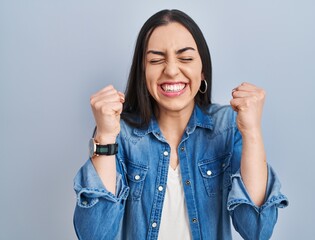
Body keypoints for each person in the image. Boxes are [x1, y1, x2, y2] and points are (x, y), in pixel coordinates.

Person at [73, 9, 288, 240]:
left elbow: (257, 229)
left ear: (203, 70)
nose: (172, 70)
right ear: (143, 72)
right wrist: (105, 136)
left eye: (185, 58)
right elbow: (94, 234)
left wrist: (252, 132)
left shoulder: (227, 127)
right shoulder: (120, 133)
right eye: (156, 60)